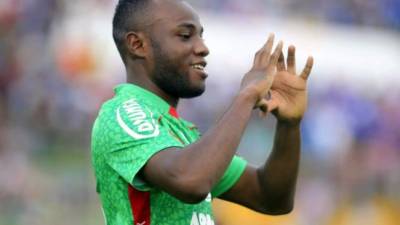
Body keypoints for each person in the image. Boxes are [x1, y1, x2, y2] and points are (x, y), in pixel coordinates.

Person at [91, 0, 314, 224]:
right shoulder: (122, 114)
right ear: (137, 44)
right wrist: (246, 95)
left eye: (201, 36)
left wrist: (289, 125)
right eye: (186, 36)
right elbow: (191, 181)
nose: (203, 48)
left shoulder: (181, 136)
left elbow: (271, 198)